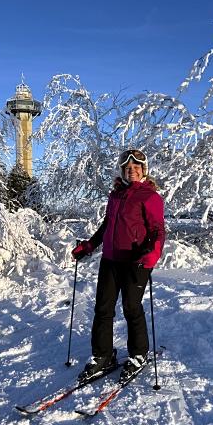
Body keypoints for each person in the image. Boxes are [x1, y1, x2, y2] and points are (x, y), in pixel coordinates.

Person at [71, 148, 165, 382]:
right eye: (127, 168)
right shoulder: (115, 196)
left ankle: (138, 354)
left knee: (131, 307)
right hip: (110, 260)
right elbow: (107, 225)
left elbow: (157, 230)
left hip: (136, 262)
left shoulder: (150, 197)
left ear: (144, 171)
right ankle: (102, 356)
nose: (132, 171)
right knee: (103, 309)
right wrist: (90, 245)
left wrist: (152, 254)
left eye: (136, 168)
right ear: (122, 171)